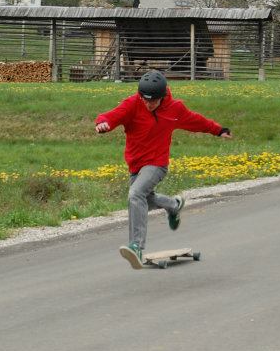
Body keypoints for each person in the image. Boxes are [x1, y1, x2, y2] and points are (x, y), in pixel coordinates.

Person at [95, 69, 232, 269]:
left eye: (153, 101)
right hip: (135, 164)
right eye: (145, 100)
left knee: (135, 195)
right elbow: (111, 116)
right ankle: (173, 205)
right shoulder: (133, 104)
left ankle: (136, 246)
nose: (148, 105)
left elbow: (197, 121)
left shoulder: (174, 109)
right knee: (144, 200)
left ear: (163, 96)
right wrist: (103, 124)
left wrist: (218, 130)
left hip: (157, 164)